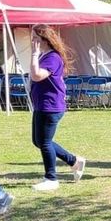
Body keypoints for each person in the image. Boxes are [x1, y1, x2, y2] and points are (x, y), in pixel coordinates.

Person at [29, 26, 86, 193]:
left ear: (44, 39)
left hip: (50, 106)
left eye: (34, 37)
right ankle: (74, 161)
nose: (32, 40)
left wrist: (33, 55)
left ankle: (51, 178)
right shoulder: (44, 55)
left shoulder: (52, 57)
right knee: (38, 141)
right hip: (42, 105)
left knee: (44, 142)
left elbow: (37, 75)